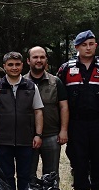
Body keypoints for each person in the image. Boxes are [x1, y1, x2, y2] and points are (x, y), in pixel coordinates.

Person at [57, 30, 99, 190]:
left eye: (91, 44)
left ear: (96, 45)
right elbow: (60, 100)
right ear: (77, 47)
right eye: (84, 45)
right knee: (78, 159)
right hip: (76, 123)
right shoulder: (66, 68)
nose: (88, 48)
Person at [0, 52, 44, 190]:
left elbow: (38, 112)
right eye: (10, 65)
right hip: (3, 140)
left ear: (22, 65)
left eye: (17, 64)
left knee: (25, 175)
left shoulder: (31, 87)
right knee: (7, 176)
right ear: (4, 66)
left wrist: (38, 134)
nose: (14, 68)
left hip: (26, 139)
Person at [26, 46, 68, 181]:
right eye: (35, 57)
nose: (39, 60)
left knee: (51, 175)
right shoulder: (21, 82)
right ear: (28, 61)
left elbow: (64, 107)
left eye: (42, 57)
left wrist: (63, 131)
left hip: (51, 135)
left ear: (46, 60)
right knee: (28, 174)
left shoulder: (56, 82)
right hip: (27, 137)